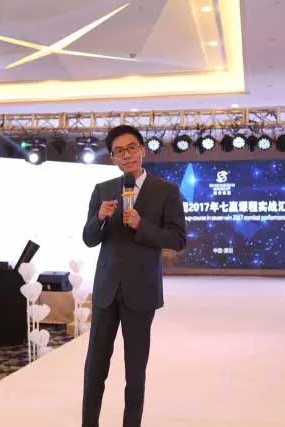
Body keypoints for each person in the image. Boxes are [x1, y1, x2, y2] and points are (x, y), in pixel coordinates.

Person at [81, 125, 187, 427]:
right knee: (94, 367)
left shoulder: (166, 191)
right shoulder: (103, 189)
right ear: (113, 158)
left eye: (131, 148)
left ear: (142, 149)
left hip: (141, 290)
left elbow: (178, 239)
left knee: (135, 370)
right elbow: (89, 238)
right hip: (106, 290)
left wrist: (142, 226)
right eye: (119, 151)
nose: (126, 155)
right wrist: (99, 217)